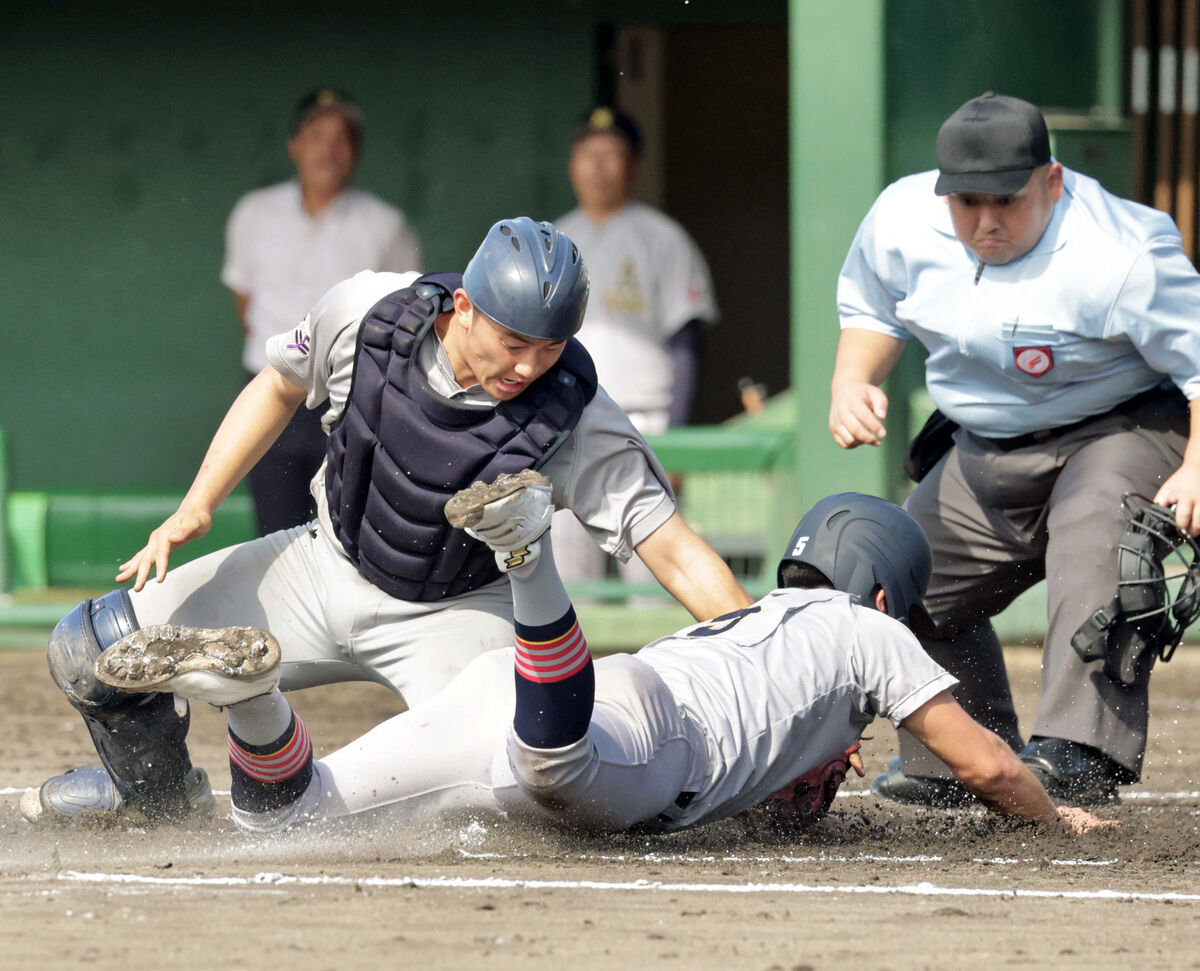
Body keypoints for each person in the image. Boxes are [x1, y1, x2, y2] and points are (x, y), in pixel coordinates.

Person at [21, 216, 751, 826]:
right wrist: (197, 502)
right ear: (464, 305)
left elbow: (678, 553)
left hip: (461, 615)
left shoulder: (578, 415)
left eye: (550, 346)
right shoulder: (367, 313)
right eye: (512, 342)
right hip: (322, 569)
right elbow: (278, 383)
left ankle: (293, 787)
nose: (528, 367)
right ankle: (159, 801)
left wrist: (765, 667)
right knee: (90, 650)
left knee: (528, 787)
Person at [76, 484, 1115, 837]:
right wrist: (1052, 814)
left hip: (555, 690)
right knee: (560, 760)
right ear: (884, 591)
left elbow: (772, 786)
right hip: (613, 728)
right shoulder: (872, 630)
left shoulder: (761, 624)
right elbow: (983, 762)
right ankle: (530, 560)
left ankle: (251, 697)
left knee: (285, 821)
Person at [830, 91, 1200, 808]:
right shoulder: (903, 220)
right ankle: (959, 761)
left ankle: (1079, 754)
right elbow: (870, 309)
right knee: (899, 570)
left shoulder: (1121, 251)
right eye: (966, 202)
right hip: (984, 442)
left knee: (1097, 530)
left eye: (1006, 199)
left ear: (1052, 181)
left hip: (1118, 427)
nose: (986, 220)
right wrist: (852, 380)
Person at [221, 88, 423, 536]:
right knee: (273, 534)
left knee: (347, 532)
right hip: (270, 389)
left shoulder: (385, 224)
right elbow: (245, 303)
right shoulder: (254, 214)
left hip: (352, 396)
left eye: (341, 138)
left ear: (356, 151)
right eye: (316, 135)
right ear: (294, 145)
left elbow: (407, 317)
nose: (328, 150)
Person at [552, 107, 719, 593]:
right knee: (566, 584)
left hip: (644, 424)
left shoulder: (661, 237)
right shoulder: (553, 237)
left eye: (611, 154)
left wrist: (678, 445)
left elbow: (686, 342)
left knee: (653, 581)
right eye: (587, 154)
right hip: (563, 420)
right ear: (572, 164)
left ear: (633, 165)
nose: (598, 167)